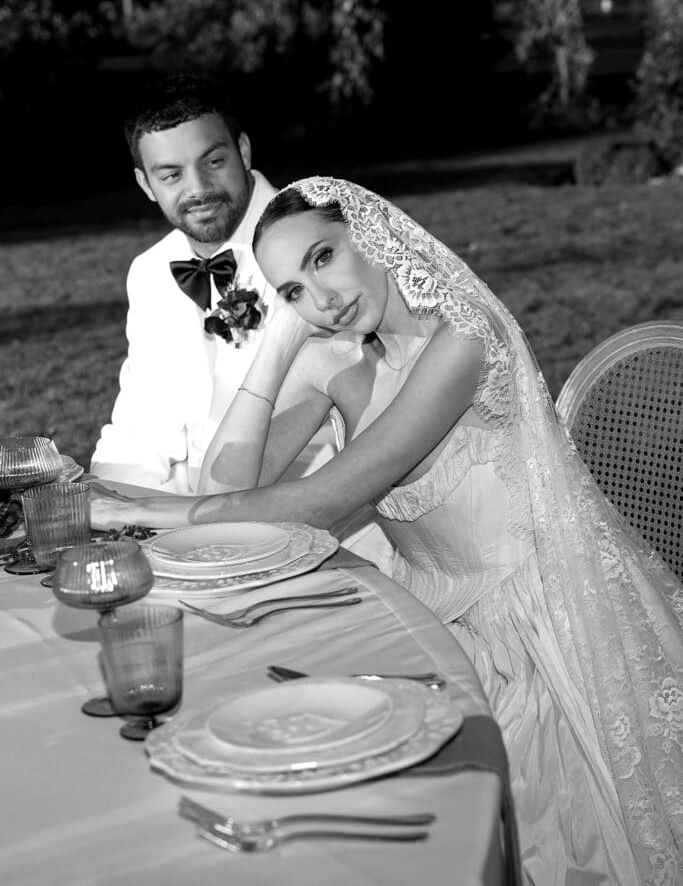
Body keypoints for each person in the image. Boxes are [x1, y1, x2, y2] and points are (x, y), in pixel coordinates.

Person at [91, 176, 682, 884]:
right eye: (292, 289)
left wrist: (145, 512)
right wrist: (279, 343)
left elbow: (322, 500)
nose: (324, 296)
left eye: (323, 257)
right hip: (430, 621)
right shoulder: (337, 360)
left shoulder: (461, 339)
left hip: (540, 627)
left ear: (371, 235)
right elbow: (227, 488)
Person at [89, 74, 321, 493]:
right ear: (145, 184)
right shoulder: (150, 272)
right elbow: (143, 425)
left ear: (243, 151)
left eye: (213, 162)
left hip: (319, 506)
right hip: (194, 516)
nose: (198, 189)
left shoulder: (316, 245)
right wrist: (110, 510)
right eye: (171, 175)